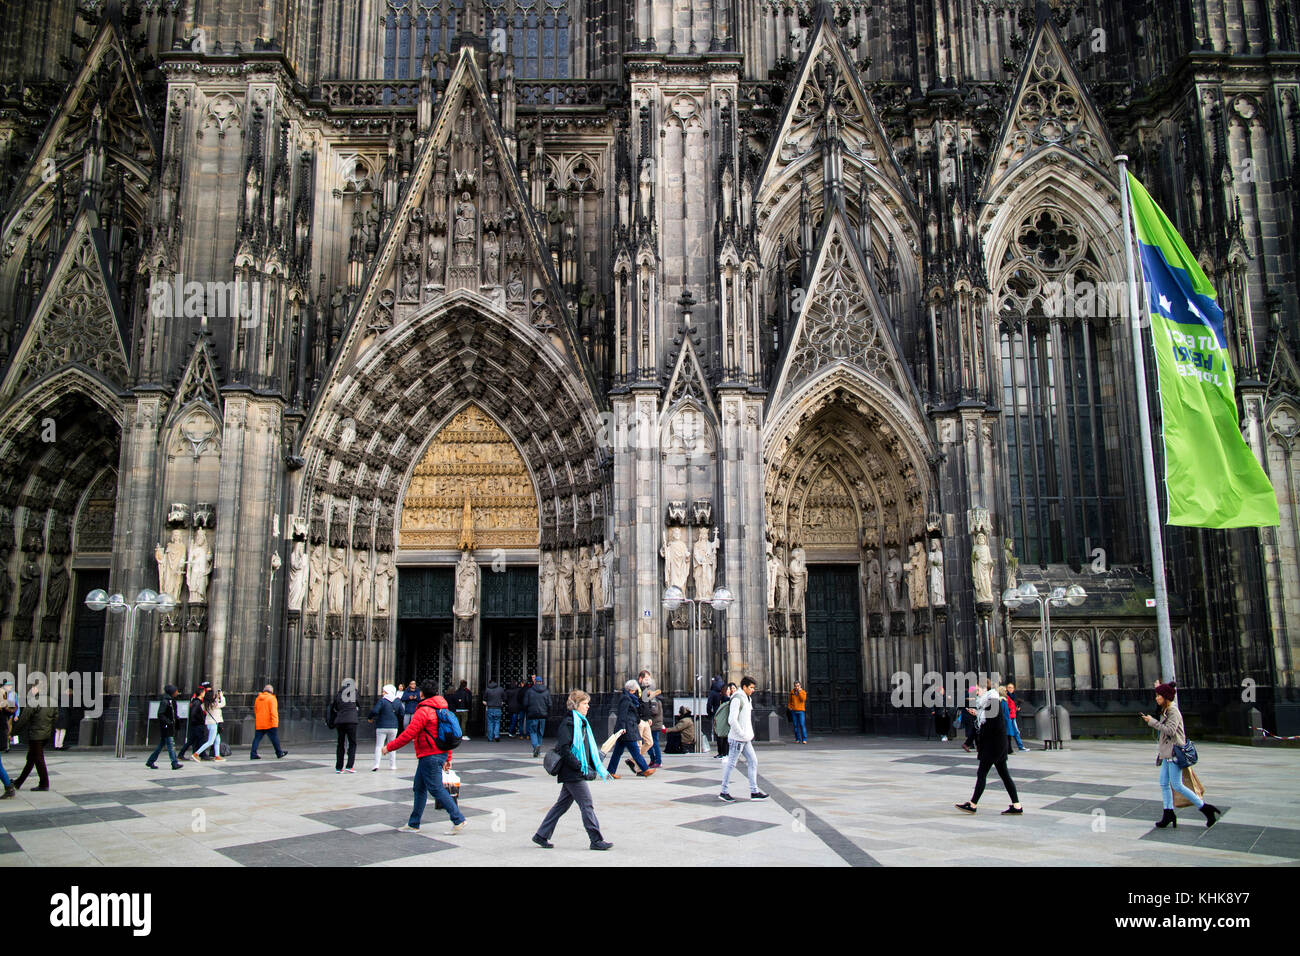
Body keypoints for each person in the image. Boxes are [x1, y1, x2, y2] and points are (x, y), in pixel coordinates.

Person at [532, 689, 613, 850]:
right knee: (587, 804)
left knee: (561, 805)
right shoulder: (568, 723)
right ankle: (595, 840)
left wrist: (595, 759)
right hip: (572, 772)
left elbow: (584, 748)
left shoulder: (581, 723)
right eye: (584, 703)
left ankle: (541, 835)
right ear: (575, 705)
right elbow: (564, 748)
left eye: (588, 703)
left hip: (573, 770)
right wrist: (579, 767)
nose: (588, 707)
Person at [385, 680, 467, 835]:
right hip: (436, 754)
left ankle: (458, 818)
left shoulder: (424, 710)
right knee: (419, 788)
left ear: (422, 693)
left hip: (430, 755)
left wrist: (389, 747)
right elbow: (446, 733)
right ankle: (414, 823)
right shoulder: (442, 707)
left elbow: (409, 733)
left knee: (435, 788)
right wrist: (448, 757)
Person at [1142, 681, 1220, 828]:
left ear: (1165, 697)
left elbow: (1170, 730)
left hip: (1174, 753)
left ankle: (1205, 808)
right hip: (1166, 754)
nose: (1156, 698)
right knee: (1164, 783)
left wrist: (1151, 722)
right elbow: (1158, 711)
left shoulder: (1173, 711)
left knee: (1177, 785)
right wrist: (1158, 687)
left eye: (1158, 695)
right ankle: (1168, 813)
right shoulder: (1165, 710)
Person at [955, 685, 1023, 815]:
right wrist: (978, 714)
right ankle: (1017, 805)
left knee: (982, 774)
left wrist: (980, 716)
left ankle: (973, 804)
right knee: (1004, 775)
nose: (977, 693)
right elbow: (989, 721)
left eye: (978, 690)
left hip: (993, 746)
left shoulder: (993, 704)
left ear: (985, 689)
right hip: (997, 746)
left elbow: (993, 726)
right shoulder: (989, 704)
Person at [720, 677, 767, 801]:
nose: (753, 690)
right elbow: (732, 719)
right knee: (731, 764)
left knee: (753, 761)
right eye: (751, 687)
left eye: (753, 688)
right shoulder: (737, 698)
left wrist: (746, 734)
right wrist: (741, 733)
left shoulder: (747, 698)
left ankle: (754, 791)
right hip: (737, 738)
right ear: (744, 687)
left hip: (745, 738)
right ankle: (724, 791)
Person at [11, 682, 54, 790]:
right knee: (31, 759)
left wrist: (13, 732)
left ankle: (44, 784)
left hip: (36, 735)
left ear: (37, 689)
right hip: (45, 734)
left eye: (33, 687)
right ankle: (18, 782)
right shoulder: (52, 701)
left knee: (38, 759)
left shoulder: (34, 701)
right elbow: (55, 717)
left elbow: (24, 718)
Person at [606, 680, 653, 777]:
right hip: (627, 729)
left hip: (627, 727)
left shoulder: (628, 698)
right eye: (635, 690)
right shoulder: (626, 699)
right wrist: (623, 727)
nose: (635, 691)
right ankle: (645, 769)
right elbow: (622, 714)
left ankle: (610, 771)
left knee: (617, 752)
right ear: (631, 690)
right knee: (635, 750)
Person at [145, 684, 184, 770]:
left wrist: (176, 719)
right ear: (172, 692)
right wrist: (169, 722)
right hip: (166, 727)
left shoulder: (171, 701)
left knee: (161, 745)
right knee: (171, 745)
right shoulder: (165, 701)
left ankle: (150, 761)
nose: (177, 692)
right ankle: (174, 763)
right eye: (176, 691)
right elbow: (160, 714)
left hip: (170, 726)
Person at [368, 684, 402, 771]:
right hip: (393, 726)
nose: (383, 693)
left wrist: (370, 717)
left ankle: (376, 765)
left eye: (384, 692)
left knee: (379, 745)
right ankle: (393, 765)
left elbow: (375, 711)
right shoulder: (397, 701)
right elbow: (402, 713)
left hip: (381, 725)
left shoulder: (382, 701)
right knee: (392, 746)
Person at [250, 684, 289, 760]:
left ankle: (253, 754)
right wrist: (275, 722)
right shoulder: (272, 699)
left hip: (260, 722)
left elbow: (256, 710)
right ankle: (279, 753)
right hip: (269, 723)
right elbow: (273, 712)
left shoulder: (258, 698)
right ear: (271, 691)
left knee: (257, 739)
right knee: (274, 738)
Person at [329, 681, 360, 772]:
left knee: (340, 744)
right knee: (352, 743)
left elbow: (335, 707)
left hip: (340, 721)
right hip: (351, 721)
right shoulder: (354, 693)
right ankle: (349, 766)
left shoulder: (339, 694)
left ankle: (339, 768)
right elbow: (359, 704)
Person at [177, 682, 211, 760]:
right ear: (201, 693)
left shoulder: (197, 701)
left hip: (196, 724)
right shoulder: (197, 702)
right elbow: (193, 714)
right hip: (197, 724)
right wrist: (200, 720)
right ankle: (202, 754)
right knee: (200, 739)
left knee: (191, 740)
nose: (205, 693)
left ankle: (181, 754)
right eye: (204, 692)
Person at [192, 687, 226, 761]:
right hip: (214, 724)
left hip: (210, 723)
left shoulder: (205, 704)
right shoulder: (214, 704)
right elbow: (223, 703)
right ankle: (196, 754)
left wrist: (217, 697)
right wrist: (221, 696)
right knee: (210, 741)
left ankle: (217, 756)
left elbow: (214, 703)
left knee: (217, 740)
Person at [638, 670, 664, 769]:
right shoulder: (646, 692)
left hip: (654, 723)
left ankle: (658, 761)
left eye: (648, 678)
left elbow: (654, 710)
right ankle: (653, 760)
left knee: (653, 743)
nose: (647, 680)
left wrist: (646, 715)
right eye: (646, 678)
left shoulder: (651, 695)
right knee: (649, 743)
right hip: (652, 722)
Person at [523, 675, 550, 758]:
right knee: (540, 732)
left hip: (533, 714)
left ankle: (535, 747)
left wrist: (528, 710)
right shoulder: (546, 691)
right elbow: (550, 704)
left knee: (533, 731)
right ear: (541, 682)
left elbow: (525, 703)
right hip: (542, 715)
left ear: (535, 682)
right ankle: (538, 747)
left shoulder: (529, 691)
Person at [712, 683, 736, 758]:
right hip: (724, 719)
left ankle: (723, 753)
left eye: (731, 689)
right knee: (724, 737)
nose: (730, 690)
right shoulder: (727, 699)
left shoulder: (724, 698)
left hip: (723, 719)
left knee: (723, 737)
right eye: (728, 689)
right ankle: (724, 753)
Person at [1005, 682, 1028, 752]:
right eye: (1009, 687)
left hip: (1013, 716)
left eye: (1011, 688)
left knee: (1014, 732)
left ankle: (1020, 746)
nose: (1010, 689)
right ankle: (1020, 746)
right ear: (1006, 688)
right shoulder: (1007, 696)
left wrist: (1016, 709)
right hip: (1010, 717)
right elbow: (1007, 707)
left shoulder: (1013, 696)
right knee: (1015, 731)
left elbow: (1012, 707)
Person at [705, 676, 723, 745]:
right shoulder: (725, 689)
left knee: (718, 732)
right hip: (725, 713)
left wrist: (709, 714)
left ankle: (721, 752)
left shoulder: (713, 692)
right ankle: (725, 752)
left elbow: (709, 704)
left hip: (716, 713)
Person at [961, 685, 979, 752]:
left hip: (974, 716)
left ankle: (969, 744)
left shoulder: (975, 697)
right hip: (969, 716)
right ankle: (970, 744)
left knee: (975, 731)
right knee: (973, 730)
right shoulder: (968, 696)